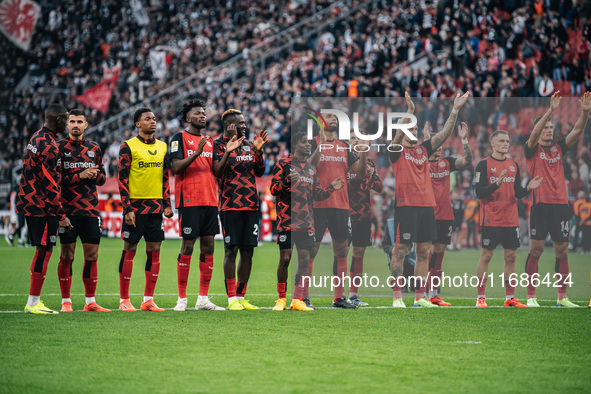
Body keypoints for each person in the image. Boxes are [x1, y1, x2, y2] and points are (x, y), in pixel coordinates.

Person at [388, 92, 468, 308]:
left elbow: (444, 134)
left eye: (415, 128)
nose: (413, 131)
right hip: (406, 208)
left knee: (424, 252)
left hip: (427, 208)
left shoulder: (424, 150)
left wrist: (455, 110)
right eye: (410, 129)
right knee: (400, 251)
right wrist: (410, 113)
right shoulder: (396, 151)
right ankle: (397, 297)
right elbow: (396, 137)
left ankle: (419, 297)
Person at [523, 92, 591, 308]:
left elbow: (578, 130)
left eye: (551, 127)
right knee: (536, 250)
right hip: (540, 205)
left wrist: (585, 112)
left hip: (561, 205)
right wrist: (550, 110)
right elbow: (533, 134)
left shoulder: (558, 148)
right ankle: (531, 296)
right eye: (546, 127)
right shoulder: (531, 149)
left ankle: (562, 297)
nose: (550, 130)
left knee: (562, 251)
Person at [270, 131, 344, 311]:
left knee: (304, 260)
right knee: (285, 259)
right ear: (295, 145)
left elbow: (317, 194)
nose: (308, 145)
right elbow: (273, 189)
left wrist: (331, 188)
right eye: (304, 142)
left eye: (309, 143)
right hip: (287, 221)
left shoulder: (311, 169)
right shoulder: (283, 164)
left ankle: (297, 299)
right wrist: (287, 181)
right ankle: (281, 299)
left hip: (306, 222)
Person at [169, 99, 227, 311]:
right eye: (198, 114)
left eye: (204, 113)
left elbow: (217, 171)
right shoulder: (179, 138)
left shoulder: (209, 141)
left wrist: (227, 152)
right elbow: (175, 167)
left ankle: (203, 298)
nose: (203, 116)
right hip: (190, 199)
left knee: (209, 246)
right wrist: (196, 152)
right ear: (187, 118)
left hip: (210, 199)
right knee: (188, 245)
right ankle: (182, 299)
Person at [474, 130, 542, 308]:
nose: (506, 144)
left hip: (510, 219)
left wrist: (528, 187)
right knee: (487, 255)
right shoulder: (483, 165)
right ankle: (481, 297)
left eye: (507, 141)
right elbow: (478, 192)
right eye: (502, 141)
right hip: (491, 218)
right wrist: (495, 185)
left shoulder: (513, 165)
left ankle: (510, 297)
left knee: (511, 257)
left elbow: (518, 193)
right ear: (493, 144)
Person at [307, 112, 368, 309]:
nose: (334, 119)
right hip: (317, 204)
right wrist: (321, 146)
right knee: (311, 250)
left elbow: (359, 171)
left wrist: (364, 153)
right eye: (329, 116)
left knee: (342, 250)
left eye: (335, 117)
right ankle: (303, 297)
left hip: (341, 205)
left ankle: (338, 298)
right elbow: (307, 168)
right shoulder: (312, 142)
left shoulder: (343, 146)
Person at [17, 103, 72, 314]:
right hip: (42, 205)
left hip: (30, 200)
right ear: (57, 120)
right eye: (65, 120)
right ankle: (33, 302)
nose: (67, 124)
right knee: (44, 250)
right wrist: (61, 215)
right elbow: (51, 184)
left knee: (43, 250)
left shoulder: (36, 137)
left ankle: (34, 301)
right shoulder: (50, 146)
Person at [117, 107, 173, 312]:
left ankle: (148, 300)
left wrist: (167, 204)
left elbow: (164, 178)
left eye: (154, 118)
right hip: (135, 208)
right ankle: (124, 300)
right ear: (137, 124)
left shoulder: (163, 147)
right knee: (130, 249)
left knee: (154, 251)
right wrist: (127, 208)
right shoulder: (128, 146)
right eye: (147, 119)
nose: (152, 121)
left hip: (155, 208)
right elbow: (122, 179)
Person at [213, 109, 268, 311]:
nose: (244, 125)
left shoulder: (248, 145)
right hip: (230, 205)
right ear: (229, 125)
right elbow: (217, 172)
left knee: (248, 251)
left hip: (251, 206)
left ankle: (241, 296)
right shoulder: (217, 145)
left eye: (245, 122)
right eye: (240, 123)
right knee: (231, 250)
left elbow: (260, 172)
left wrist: (259, 151)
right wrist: (228, 152)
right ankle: (231, 299)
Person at [57, 109, 110, 312]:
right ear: (67, 125)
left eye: (80, 121)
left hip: (90, 209)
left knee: (92, 256)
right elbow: (56, 181)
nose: (76, 124)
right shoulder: (59, 148)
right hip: (67, 210)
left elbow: (103, 178)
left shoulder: (94, 148)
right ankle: (66, 301)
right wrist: (81, 175)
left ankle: (90, 302)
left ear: (86, 125)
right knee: (67, 254)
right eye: (72, 121)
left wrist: (95, 175)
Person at [426, 122, 473, 306]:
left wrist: (464, 140)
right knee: (426, 253)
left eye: (440, 147)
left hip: (445, 215)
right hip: (427, 215)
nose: (438, 150)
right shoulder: (420, 164)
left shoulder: (447, 163)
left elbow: (467, 161)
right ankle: (421, 293)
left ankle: (433, 294)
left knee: (439, 254)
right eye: (434, 146)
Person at [346, 129, 383, 307]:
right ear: (347, 141)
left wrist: (367, 179)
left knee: (359, 254)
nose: (356, 141)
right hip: (344, 213)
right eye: (352, 138)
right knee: (341, 254)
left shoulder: (368, 161)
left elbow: (379, 186)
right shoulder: (342, 160)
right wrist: (359, 178)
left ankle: (353, 295)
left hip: (363, 215)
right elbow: (341, 186)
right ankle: (338, 295)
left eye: (358, 138)